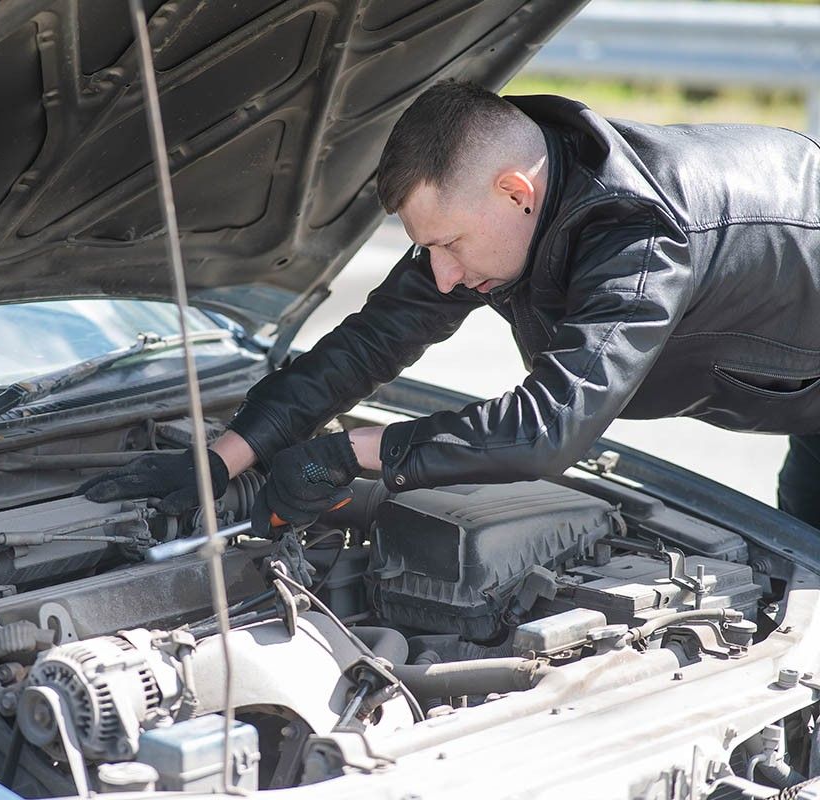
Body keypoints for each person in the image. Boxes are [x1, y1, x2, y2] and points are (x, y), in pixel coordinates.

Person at [79, 81, 820, 531]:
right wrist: (225, 455)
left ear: (515, 193)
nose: (439, 274)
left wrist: (354, 452)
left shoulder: (643, 236)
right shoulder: (499, 203)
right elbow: (369, 342)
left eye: (449, 244)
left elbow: (546, 430)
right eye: (426, 246)